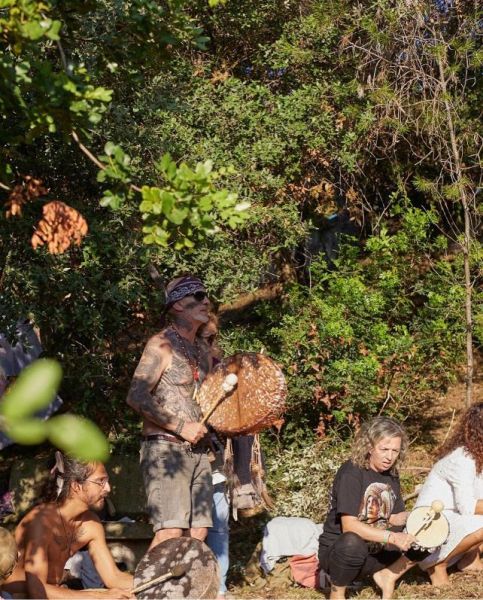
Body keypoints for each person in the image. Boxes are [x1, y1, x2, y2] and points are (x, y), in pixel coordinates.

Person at [126, 275, 213, 550]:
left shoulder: (202, 349)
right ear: (177, 305)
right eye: (198, 296)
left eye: (206, 296)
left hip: (199, 451)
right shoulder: (160, 345)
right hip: (165, 449)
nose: (206, 301)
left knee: (198, 532)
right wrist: (180, 426)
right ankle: (143, 593)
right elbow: (136, 395)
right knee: (170, 531)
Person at [318, 416, 427, 599]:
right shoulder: (351, 473)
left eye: (395, 451)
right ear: (369, 447)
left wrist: (414, 518)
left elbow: (393, 517)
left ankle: (388, 575)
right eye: (384, 449)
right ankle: (337, 591)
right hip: (341, 554)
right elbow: (349, 526)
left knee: (429, 531)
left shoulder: (391, 474)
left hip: (377, 552)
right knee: (352, 541)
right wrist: (393, 537)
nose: (389, 457)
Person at [1, 453, 133, 599]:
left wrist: (156, 580)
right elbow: (37, 591)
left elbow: (113, 577)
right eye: (100, 481)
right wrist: (98, 596)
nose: (108, 488)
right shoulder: (41, 522)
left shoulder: (92, 524)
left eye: (106, 480)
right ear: (76, 485)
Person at [414, 401, 483, 586]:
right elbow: (467, 506)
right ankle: (437, 565)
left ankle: (469, 559)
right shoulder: (463, 459)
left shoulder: (478, 456)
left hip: (453, 518)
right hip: (428, 528)